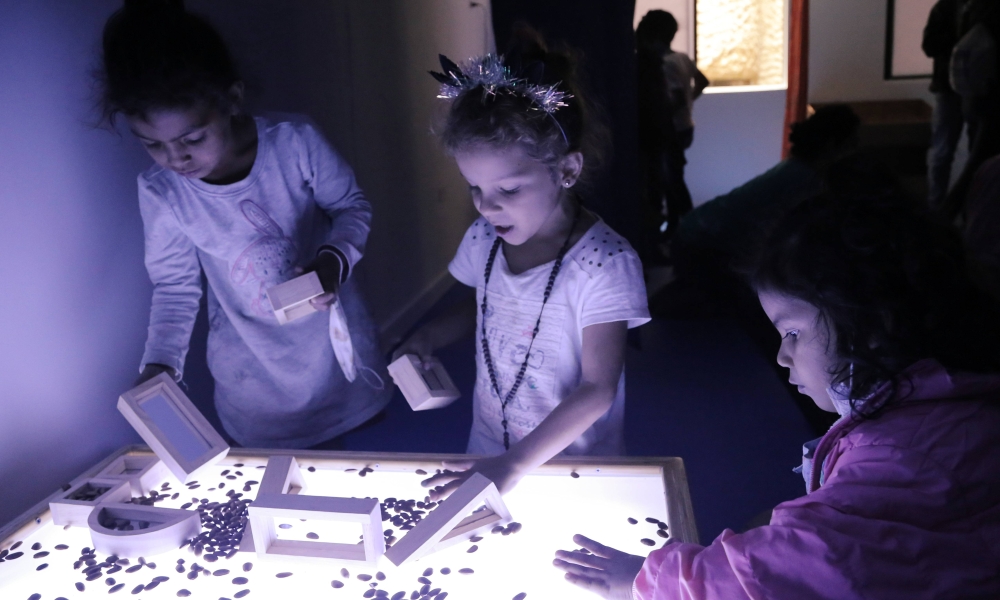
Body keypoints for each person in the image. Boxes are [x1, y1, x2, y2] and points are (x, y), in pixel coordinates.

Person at [552, 175, 1000, 599]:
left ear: (869, 324)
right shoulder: (939, 409)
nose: (782, 357)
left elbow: (805, 560)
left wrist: (647, 580)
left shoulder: (907, 459)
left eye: (793, 334)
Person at [99, 0, 390, 448]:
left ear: (231, 100)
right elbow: (175, 288)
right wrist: (160, 366)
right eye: (152, 145)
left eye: (192, 138)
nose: (176, 158)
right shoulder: (163, 192)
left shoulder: (295, 145)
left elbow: (351, 206)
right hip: (253, 385)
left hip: (336, 364)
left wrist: (333, 261)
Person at [394, 31, 650, 500]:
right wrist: (427, 336)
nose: (487, 208)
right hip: (490, 449)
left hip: (574, 468)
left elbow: (598, 389)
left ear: (566, 171)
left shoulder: (606, 264)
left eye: (508, 190)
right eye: (475, 189)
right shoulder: (482, 239)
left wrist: (512, 466)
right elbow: (486, 308)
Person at [635, 10, 709, 247]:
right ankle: (681, 229)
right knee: (674, 180)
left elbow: (673, 98)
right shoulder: (683, 58)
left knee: (671, 183)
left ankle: (686, 231)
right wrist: (689, 102)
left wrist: (665, 111)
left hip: (671, 132)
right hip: (684, 127)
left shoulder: (664, 64)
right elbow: (702, 81)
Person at [922, 0, 970, 208]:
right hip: (964, 89)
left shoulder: (945, 7)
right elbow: (930, 46)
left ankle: (939, 205)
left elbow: (930, 45)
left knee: (944, 150)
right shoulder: (947, 7)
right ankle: (942, 205)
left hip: (957, 89)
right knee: (946, 151)